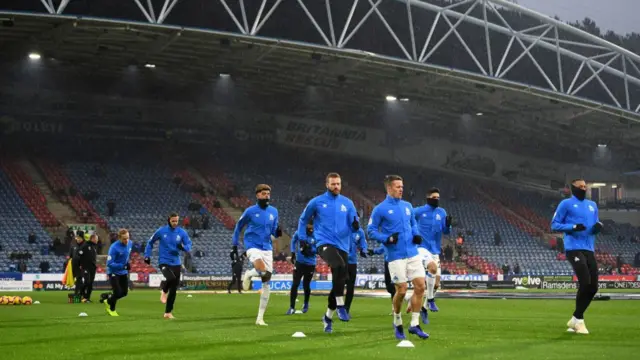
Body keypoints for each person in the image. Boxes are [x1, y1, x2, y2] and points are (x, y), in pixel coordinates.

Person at [367, 175, 429, 340]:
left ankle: (415, 324)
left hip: (413, 252)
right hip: (395, 254)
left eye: (402, 186)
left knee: (421, 287)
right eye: (397, 187)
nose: (401, 189)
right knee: (401, 290)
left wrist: (416, 234)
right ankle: (397, 320)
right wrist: (386, 239)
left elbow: (413, 223)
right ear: (389, 188)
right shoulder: (380, 209)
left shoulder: (407, 206)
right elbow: (371, 230)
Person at [297, 172, 359, 333]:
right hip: (324, 243)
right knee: (338, 265)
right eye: (333, 184)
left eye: (338, 184)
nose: (336, 186)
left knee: (341, 279)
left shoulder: (348, 203)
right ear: (327, 184)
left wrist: (355, 225)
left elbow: (354, 222)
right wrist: (303, 238)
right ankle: (340, 303)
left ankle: (327, 317)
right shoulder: (317, 202)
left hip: (343, 246)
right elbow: (303, 220)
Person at [551, 179, 603, 335]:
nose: (584, 188)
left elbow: (593, 226)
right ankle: (579, 321)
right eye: (580, 187)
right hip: (573, 247)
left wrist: (597, 228)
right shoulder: (565, 204)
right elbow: (554, 225)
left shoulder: (592, 205)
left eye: (585, 186)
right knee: (585, 281)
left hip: (589, 248)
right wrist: (572, 227)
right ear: (573, 188)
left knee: (593, 287)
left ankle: (575, 318)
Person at [232, 184, 282, 326]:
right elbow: (238, 227)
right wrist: (234, 245)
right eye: (264, 193)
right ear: (257, 195)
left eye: (268, 194)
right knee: (262, 270)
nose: (266, 196)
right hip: (252, 245)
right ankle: (249, 274)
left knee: (266, 279)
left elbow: (274, 231)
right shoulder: (250, 211)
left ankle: (260, 318)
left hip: (267, 248)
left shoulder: (274, 211)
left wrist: (277, 233)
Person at [413, 187, 452, 321]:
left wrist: (447, 225)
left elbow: (446, 232)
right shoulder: (418, 211)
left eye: (438, 198)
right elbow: (408, 220)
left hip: (435, 250)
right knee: (432, 269)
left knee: (436, 284)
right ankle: (430, 299)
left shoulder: (441, 212)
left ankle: (424, 307)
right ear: (428, 198)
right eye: (434, 198)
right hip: (422, 248)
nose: (436, 200)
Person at [144, 212, 192, 319]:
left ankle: (168, 313)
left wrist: (184, 247)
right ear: (168, 220)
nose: (175, 223)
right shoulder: (161, 231)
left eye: (176, 221)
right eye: (173, 221)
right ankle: (164, 290)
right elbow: (150, 242)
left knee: (174, 288)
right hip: (164, 261)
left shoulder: (182, 232)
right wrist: (147, 255)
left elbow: (189, 245)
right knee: (170, 278)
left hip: (176, 262)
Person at [286, 222, 317, 315]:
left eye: (312, 227)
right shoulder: (300, 232)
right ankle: (291, 307)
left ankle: (306, 304)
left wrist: (310, 250)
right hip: (299, 263)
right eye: (309, 226)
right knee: (295, 284)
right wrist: (293, 253)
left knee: (306, 285)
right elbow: (293, 240)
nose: (310, 228)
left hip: (310, 264)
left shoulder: (317, 235)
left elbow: (319, 248)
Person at [100, 229, 133, 316]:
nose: (126, 241)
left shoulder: (130, 243)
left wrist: (127, 263)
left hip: (123, 272)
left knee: (124, 293)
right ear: (119, 238)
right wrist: (123, 266)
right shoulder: (114, 248)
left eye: (128, 238)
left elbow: (125, 256)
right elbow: (109, 264)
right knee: (117, 292)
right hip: (113, 272)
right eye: (124, 239)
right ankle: (112, 309)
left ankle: (108, 299)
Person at [345, 227, 367, 316]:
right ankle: (333, 307)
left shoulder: (360, 231)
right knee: (337, 286)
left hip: (352, 263)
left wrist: (363, 250)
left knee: (350, 288)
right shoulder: (343, 227)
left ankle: (346, 309)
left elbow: (363, 244)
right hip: (341, 260)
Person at [370, 244, 396, 314]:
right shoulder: (385, 240)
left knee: (394, 286)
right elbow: (380, 250)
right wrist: (372, 251)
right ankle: (407, 297)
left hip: (395, 262)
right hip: (387, 263)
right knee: (389, 287)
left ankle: (394, 308)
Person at [80, 234, 99, 302]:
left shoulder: (94, 246)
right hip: (86, 267)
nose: (97, 240)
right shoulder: (85, 245)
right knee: (87, 282)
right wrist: (81, 264)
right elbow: (79, 255)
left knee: (90, 283)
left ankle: (87, 298)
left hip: (92, 267)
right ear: (92, 239)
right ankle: (81, 293)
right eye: (96, 238)